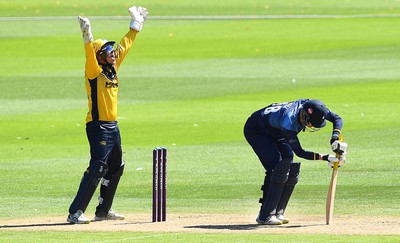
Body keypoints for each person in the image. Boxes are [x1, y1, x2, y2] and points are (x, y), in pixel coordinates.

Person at [67, 5, 149, 224]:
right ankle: (75, 212)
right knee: (98, 167)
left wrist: (136, 26)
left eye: (112, 53)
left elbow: (125, 46)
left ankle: (103, 211)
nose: (113, 54)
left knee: (116, 167)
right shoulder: (94, 72)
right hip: (97, 126)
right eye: (108, 52)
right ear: (99, 56)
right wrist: (87, 37)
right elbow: (89, 55)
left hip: (113, 126)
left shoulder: (113, 67)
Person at [243, 99, 347, 225]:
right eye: (310, 123)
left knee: (289, 163)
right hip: (257, 130)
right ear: (304, 115)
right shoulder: (289, 121)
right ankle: (265, 215)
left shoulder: (314, 106)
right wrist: (325, 157)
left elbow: (337, 119)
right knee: (277, 166)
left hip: (275, 131)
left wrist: (334, 139)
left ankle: (278, 212)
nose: (310, 126)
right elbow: (300, 152)